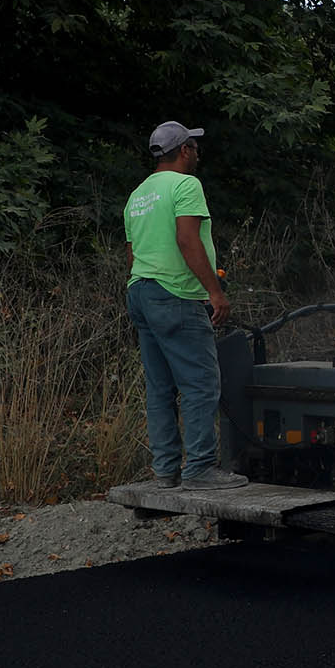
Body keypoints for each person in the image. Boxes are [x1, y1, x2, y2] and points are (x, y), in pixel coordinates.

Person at [123, 121, 247, 491]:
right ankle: (200, 470)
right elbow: (187, 239)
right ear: (183, 152)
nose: (197, 152)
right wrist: (215, 292)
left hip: (141, 292)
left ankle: (165, 471)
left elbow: (133, 254)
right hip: (176, 294)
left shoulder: (137, 195)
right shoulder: (186, 185)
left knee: (160, 387)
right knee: (200, 384)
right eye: (193, 146)